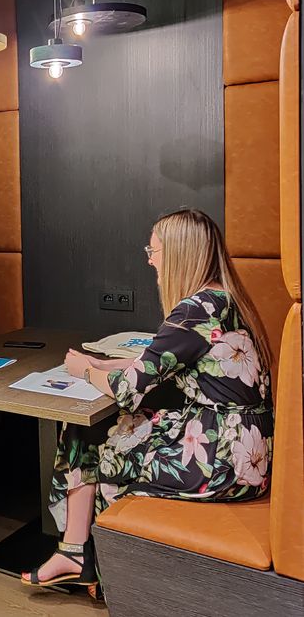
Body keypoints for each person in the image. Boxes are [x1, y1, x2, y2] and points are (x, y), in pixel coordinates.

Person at [22, 208, 274, 591]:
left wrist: (85, 371)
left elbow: (127, 389)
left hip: (224, 461)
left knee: (109, 453)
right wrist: (104, 362)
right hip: (245, 446)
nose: (150, 259)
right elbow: (165, 360)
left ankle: (111, 577)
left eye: (153, 251)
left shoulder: (193, 311)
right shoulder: (223, 300)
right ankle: (75, 553)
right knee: (85, 431)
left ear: (178, 254)